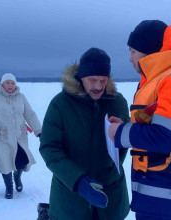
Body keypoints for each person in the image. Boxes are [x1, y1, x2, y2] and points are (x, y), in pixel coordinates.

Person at [108, 20, 171, 220]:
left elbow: (166, 136)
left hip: (168, 196)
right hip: (157, 195)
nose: (130, 59)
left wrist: (120, 134)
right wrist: (124, 127)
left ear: (149, 51)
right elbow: (153, 126)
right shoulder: (159, 81)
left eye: (133, 51)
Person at [39, 48, 130, 220]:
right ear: (81, 78)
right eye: (92, 80)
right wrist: (77, 181)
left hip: (110, 198)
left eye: (103, 80)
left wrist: (125, 130)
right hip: (70, 199)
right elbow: (49, 148)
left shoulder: (118, 102)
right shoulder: (60, 104)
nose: (98, 86)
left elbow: (122, 147)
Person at [0, 73, 42, 199]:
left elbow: (30, 114)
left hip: (20, 136)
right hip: (3, 136)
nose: (10, 85)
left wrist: (38, 131)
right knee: (5, 163)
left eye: (13, 83)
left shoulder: (21, 97)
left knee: (21, 161)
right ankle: (9, 187)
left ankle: (17, 177)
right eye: (7, 83)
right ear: (2, 84)